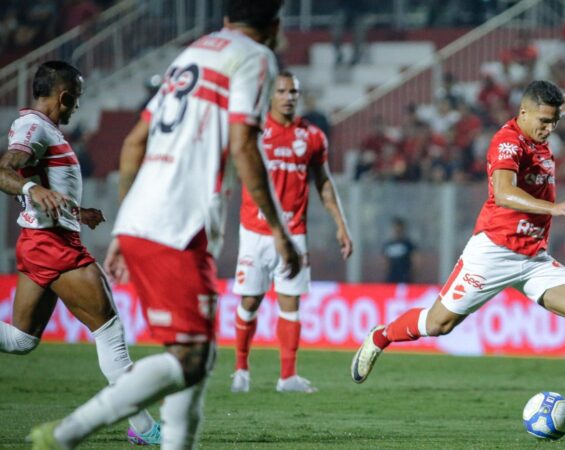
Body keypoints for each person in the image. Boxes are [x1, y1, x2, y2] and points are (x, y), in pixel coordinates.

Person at [28, 1, 301, 448]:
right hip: (178, 225)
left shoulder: (193, 53)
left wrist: (123, 227)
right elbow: (245, 146)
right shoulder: (254, 58)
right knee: (193, 358)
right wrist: (280, 230)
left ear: (227, 17)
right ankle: (66, 432)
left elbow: (135, 142)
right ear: (273, 25)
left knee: (195, 353)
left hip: (145, 220)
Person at [351, 80, 565, 429]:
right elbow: (504, 194)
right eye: (543, 120)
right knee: (437, 324)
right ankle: (380, 336)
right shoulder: (507, 141)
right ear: (523, 113)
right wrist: (553, 209)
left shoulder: (541, 144)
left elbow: (559, 109)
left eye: (554, 122)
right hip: (494, 252)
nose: (549, 128)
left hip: (533, 257)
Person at [0, 61, 161, 446]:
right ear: (65, 96)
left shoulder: (45, 130)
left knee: (22, 339)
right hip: (52, 245)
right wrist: (29, 190)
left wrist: (77, 212)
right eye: (76, 100)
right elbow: (5, 170)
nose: (77, 108)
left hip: (46, 239)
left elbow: (47, 184)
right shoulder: (34, 127)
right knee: (110, 330)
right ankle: (145, 430)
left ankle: (142, 428)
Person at [231, 71, 353, 394]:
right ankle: (241, 370)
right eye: (282, 91)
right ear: (271, 96)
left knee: (291, 303)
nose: (288, 97)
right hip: (256, 230)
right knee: (250, 300)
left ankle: (287, 377)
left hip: (295, 231)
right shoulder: (255, 133)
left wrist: (341, 224)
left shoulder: (312, 137)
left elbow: (324, 182)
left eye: (293, 92)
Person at [382, 217, 415, 283]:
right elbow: (385, 262)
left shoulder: (408, 244)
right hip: (391, 278)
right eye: (395, 229)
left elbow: (414, 260)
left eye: (399, 229)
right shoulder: (388, 245)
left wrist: (412, 275)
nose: (397, 231)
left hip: (405, 278)